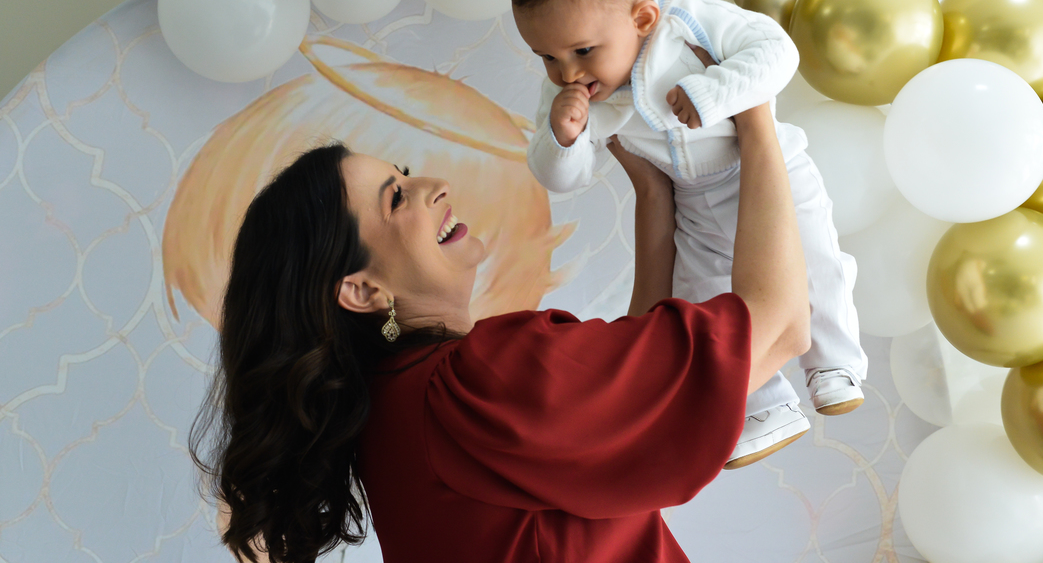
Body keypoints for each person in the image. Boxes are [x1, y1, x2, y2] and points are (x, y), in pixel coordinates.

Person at [188, 97, 810, 563]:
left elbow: (623, 381)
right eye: (397, 198)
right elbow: (778, 323)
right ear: (363, 291)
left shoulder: (392, 409)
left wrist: (653, 193)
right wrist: (755, 113)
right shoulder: (473, 384)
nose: (435, 186)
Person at [512, 0, 868, 468]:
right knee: (703, 297)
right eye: (547, 57)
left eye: (582, 50)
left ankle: (834, 362)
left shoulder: (688, 24)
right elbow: (563, 177)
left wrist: (715, 91)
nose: (567, 72)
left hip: (766, 169)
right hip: (691, 199)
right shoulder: (565, 95)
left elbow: (777, 52)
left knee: (813, 257)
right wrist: (564, 138)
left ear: (642, 18)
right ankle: (762, 407)